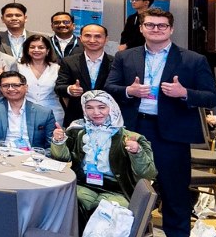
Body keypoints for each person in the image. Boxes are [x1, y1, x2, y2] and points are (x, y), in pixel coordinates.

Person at [105, 6, 216, 237]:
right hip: (135, 128)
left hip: (172, 131)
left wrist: (185, 93)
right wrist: (129, 92)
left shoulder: (192, 60)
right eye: (150, 25)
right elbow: (109, 87)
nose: (156, 30)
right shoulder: (126, 57)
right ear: (142, 28)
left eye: (162, 26)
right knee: (129, 183)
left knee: (173, 186)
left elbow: (213, 96)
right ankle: (127, 233)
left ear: (171, 29)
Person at [48, 91, 157, 229]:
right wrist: (59, 141)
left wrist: (136, 152)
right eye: (90, 107)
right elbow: (60, 159)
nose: (96, 112)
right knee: (66, 203)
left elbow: (148, 174)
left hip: (118, 190)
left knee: (103, 213)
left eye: (101, 107)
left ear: (111, 108)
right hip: (83, 184)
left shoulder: (131, 137)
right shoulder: (77, 131)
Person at [0, 70, 57, 150]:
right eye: (5, 86)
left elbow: (50, 147)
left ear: (26, 87)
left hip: (30, 157)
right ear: (0, 89)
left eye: (16, 85)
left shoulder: (44, 113)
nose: (10, 89)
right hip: (0, 153)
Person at [55, 23, 113, 125]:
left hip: (108, 119)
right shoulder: (68, 61)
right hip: (76, 118)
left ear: (106, 39)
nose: (92, 40)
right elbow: (59, 88)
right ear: (80, 38)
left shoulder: (115, 62)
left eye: (98, 36)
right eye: (87, 36)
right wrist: (70, 89)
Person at [18, 34, 61, 114]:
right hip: (25, 111)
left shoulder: (57, 68)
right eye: (32, 47)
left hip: (53, 112)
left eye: (41, 47)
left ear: (47, 50)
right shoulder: (18, 68)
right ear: (27, 50)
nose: (36, 50)